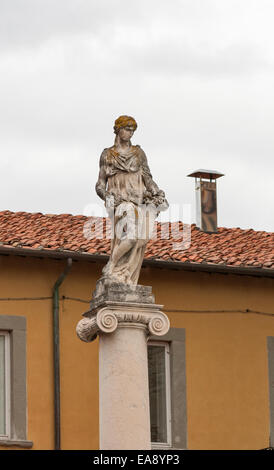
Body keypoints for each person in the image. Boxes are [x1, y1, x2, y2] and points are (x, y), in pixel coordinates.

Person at [95, 115, 168, 285]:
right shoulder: (108, 155)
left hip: (140, 202)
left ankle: (124, 274)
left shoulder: (138, 154)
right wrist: (106, 196)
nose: (130, 133)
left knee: (140, 240)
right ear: (118, 130)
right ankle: (112, 266)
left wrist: (157, 193)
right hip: (121, 202)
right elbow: (100, 184)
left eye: (132, 130)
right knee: (133, 237)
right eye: (127, 129)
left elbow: (148, 179)